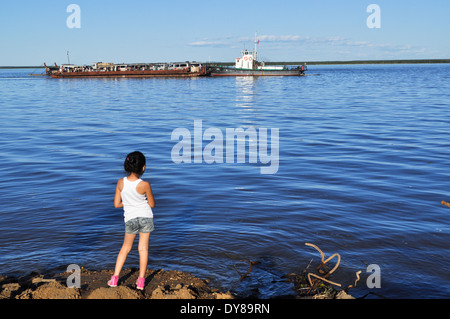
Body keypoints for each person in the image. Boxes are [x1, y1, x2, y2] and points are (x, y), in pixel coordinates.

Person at [107, 151, 155, 290]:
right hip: (145, 217)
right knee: (143, 248)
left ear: (126, 166)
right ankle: (140, 282)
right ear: (143, 168)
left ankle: (115, 279)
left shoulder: (121, 182)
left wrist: (128, 202)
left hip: (130, 218)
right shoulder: (145, 184)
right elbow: (151, 204)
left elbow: (117, 204)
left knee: (125, 248)